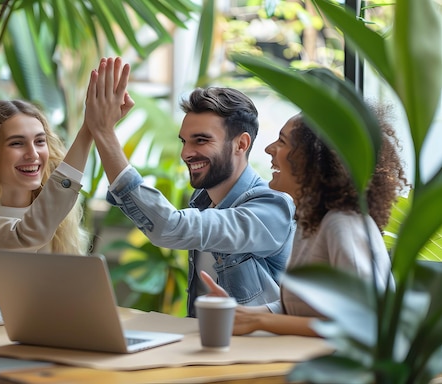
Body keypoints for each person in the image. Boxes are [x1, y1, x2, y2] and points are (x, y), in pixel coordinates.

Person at [85, 68, 296, 317]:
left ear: (241, 144)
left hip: (260, 350)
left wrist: (104, 133)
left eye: (201, 140)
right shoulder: (202, 202)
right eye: (184, 141)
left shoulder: (271, 208)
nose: (186, 153)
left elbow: (169, 227)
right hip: (209, 345)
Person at [0, 57, 133, 307]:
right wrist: (89, 129)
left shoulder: (57, 218)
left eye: (40, 141)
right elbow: (24, 235)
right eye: (17, 143)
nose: (33, 154)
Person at [201, 109, 408, 336]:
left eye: (282, 141)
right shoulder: (312, 221)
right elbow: (309, 309)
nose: (269, 149)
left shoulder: (343, 223)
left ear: (315, 159)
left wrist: (260, 321)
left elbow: (368, 322)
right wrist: (246, 314)